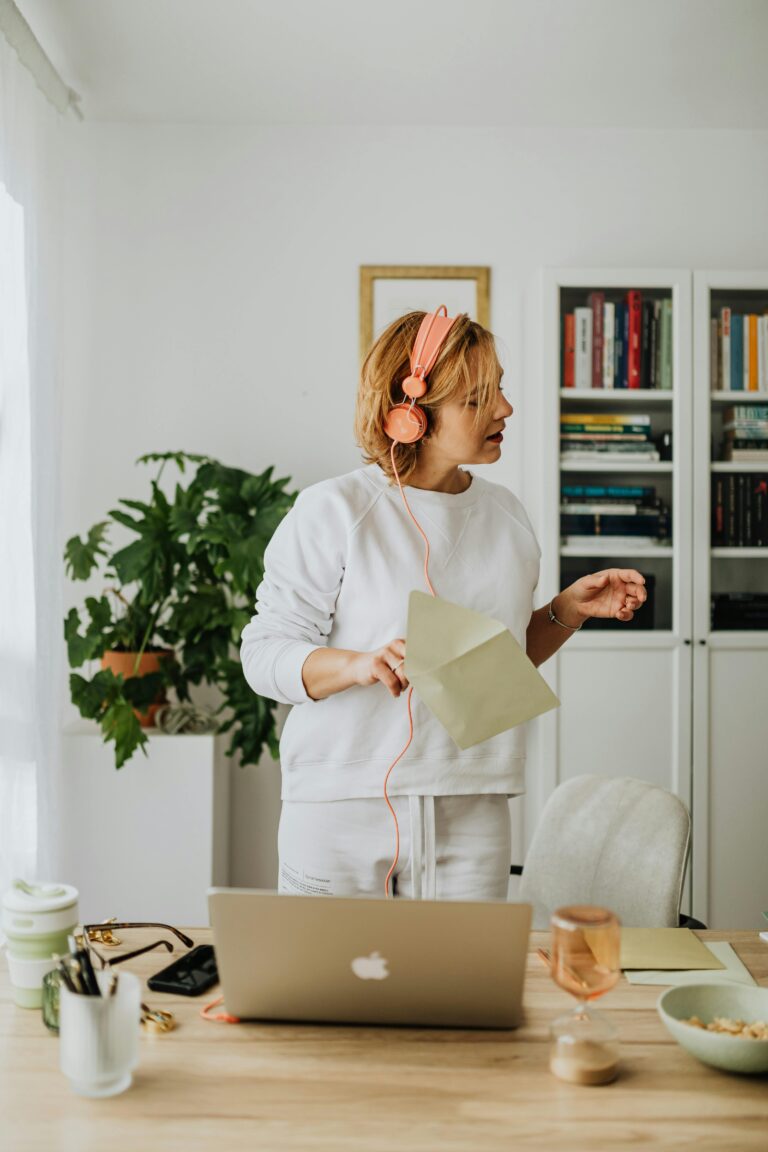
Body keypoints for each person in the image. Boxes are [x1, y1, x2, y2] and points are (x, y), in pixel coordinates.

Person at [240, 309, 646, 901]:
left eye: (500, 388)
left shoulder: (507, 516)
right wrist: (358, 664)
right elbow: (264, 655)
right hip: (340, 805)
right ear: (411, 414)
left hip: (474, 803)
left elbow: (493, 672)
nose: (504, 409)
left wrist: (568, 610)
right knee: (328, 994)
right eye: (479, 398)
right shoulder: (333, 510)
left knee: (458, 991)